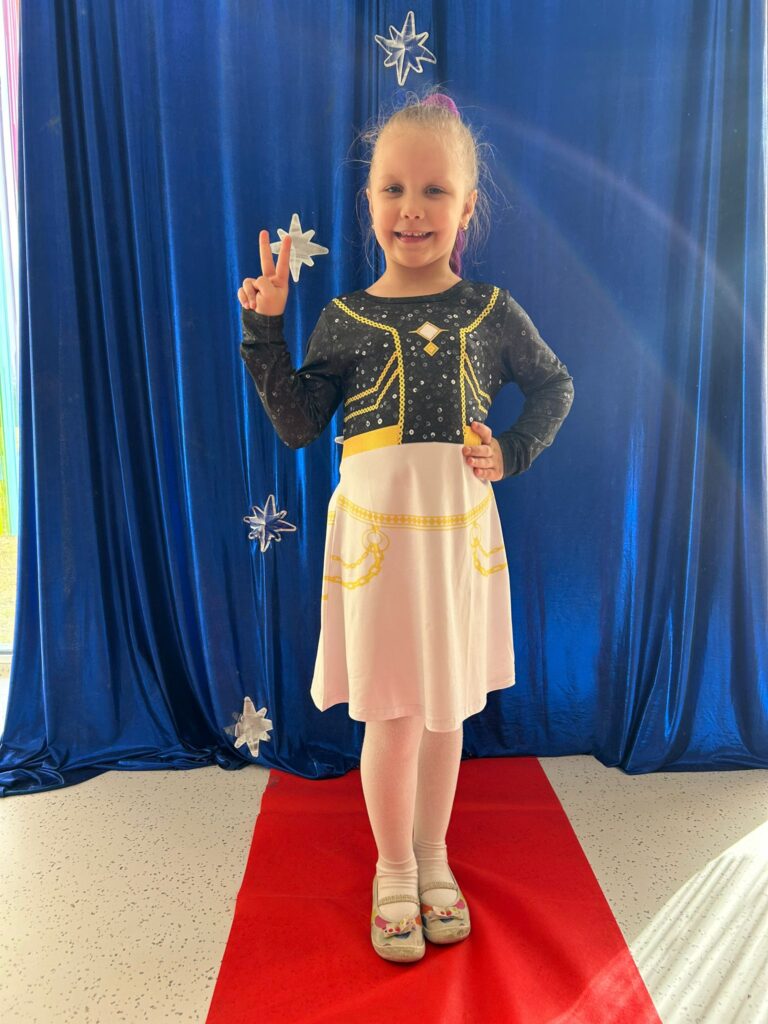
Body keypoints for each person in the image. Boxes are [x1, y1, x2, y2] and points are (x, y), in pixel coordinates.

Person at [236, 88, 575, 963]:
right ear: (370, 200)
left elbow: (554, 386)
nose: (412, 209)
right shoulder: (345, 317)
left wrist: (514, 451)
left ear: (467, 205)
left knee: (444, 711)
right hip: (379, 550)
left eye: (434, 191)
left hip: (456, 542)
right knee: (390, 712)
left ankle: (433, 856)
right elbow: (298, 423)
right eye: (393, 188)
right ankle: (392, 869)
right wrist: (264, 329)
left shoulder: (491, 311)